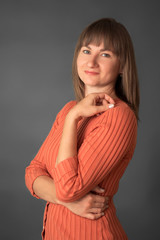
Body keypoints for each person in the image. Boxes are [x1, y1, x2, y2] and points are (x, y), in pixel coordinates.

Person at [25, 18, 140, 240]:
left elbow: (69, 187)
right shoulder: (68, 109)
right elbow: (32, 173)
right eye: (87, 51)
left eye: (105, 54)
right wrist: (70, 202)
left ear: (122, 66)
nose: (92, 61)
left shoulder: (119, 117)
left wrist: (73, 119)